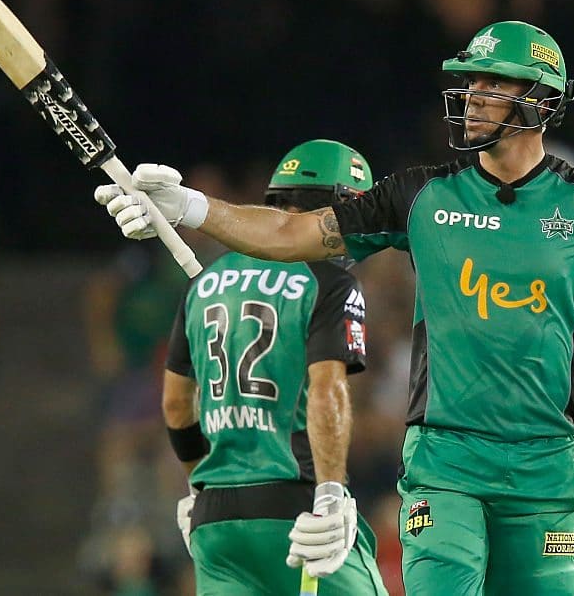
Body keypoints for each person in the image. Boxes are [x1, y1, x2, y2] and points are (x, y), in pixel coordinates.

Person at [95, 21, 574, 595]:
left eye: (492, 84)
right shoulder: (422, 194)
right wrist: (192, 207)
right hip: (445, 463)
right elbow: (294, 232)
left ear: (539, 99)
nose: (472, 97)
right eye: (471, 83)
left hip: (547, 470)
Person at [96, 140, 388, 595]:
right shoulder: (330, 282)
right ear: (334, 208)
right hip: (296, 508)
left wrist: (198, 487)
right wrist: (330, 492)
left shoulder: (204, 283)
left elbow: (176, 405)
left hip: (216, 524)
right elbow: (327, 390)